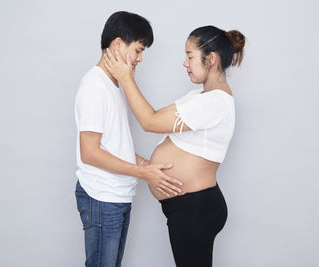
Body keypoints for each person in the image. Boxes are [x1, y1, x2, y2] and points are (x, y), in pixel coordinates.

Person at [103, 25, 245, 267]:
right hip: (189, 207)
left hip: (194, 209)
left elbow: (149, 122)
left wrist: (125, 77)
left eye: (190, 56)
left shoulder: (215, 102)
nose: (185, 63)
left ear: (210, 59)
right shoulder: (199, 97)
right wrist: (147, 167)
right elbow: (156, 117)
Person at [74, 11, 182, 267]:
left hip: (117, 197)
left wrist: (147, 166)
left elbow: (113, 146)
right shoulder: (94, 86)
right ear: (117, 44)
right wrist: (142, 173)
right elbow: (89, 152)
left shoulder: (114, 85)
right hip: (102, 197)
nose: (140, 59)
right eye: (138, 50)